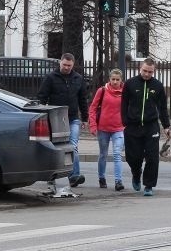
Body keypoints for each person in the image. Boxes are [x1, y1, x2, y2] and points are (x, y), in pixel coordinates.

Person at [36, 52, 89, 187]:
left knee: (73, 146)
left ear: (73, 65)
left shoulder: (78, 78)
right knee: (54, 148)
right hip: (55, 119)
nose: (66, 68)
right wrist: (42, 115)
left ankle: (74, 176)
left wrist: (85, 118)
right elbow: (42, 97)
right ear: (60, 62)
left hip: (72, 118)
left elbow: (83, 99)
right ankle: (51, 175)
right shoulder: (51, 78)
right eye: (64, 65)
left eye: (69, 66)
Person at [121, 58, 171, 197]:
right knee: (133, 157)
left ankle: (149, 185)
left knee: (152, 157)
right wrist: (124, 120)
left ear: (153, 71)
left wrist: (166, 126)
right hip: (132, 125)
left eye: (150, 72)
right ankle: (136, 174)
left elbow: (162, 108)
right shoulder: (130, 84)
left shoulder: (158, 86)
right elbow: (124, 103)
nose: (147, 74)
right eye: (145, 71)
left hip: (151, 126)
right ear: (140, 68)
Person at [88, 68, 126, 191]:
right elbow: (93, 108)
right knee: (103, 154)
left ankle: (118, 181)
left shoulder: (125, 92)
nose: (115, 82)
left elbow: (130, 108)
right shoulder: (102, 91)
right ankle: (101, 177)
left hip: (118, 128)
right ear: (109, 79)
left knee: (117, 154)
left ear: (121, 80)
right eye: (113, 79)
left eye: (117, 80)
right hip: (103, 128)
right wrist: (93, 125)